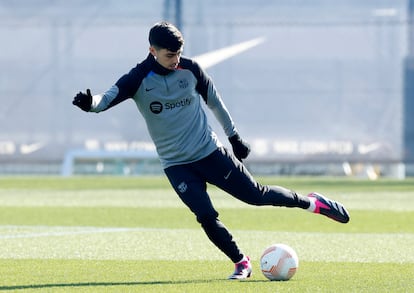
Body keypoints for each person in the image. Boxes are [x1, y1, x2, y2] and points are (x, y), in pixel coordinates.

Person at [72, 21, 350, 280]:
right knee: (205, 216)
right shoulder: (137, 78)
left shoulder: (191, 70)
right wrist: (90, 103)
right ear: (152, 51)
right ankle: (241, 263)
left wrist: (235, 138)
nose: (176, 59)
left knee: (256, 196)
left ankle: (314, 204)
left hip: (210, 153)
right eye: (170, 55)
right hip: (176, 165)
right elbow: (104, 99)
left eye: (179, 53)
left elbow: (216, 102)